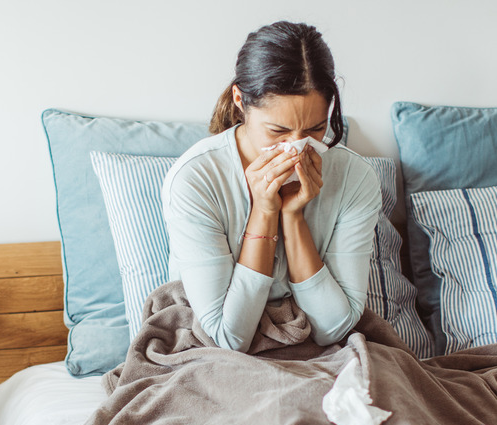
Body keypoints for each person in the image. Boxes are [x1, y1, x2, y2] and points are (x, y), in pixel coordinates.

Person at [162, 21, 381, 352]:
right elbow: (228, 338)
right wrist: (265, 211)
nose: (297, 147)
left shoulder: (355, 178)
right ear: (239, 100)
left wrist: (293, 218)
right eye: (278, 130)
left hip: (320, 352)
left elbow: (333, 328)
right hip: (215, 355)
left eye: (316, 129)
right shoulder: (196, 180)